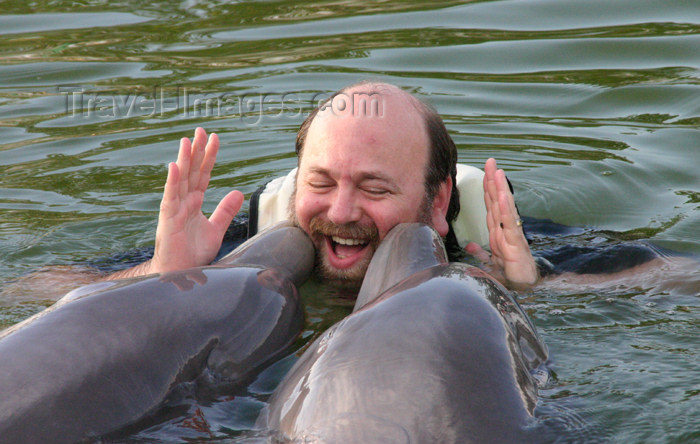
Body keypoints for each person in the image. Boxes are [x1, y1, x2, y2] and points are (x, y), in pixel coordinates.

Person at [106, 81, 540, 289]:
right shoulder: (238, 242)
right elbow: (46, 284)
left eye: (375, 189)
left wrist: (531, 287)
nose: (339, 213)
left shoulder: (491, 244)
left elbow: (609, 284)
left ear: (439, 199)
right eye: (321, 182)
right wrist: (163, 274)